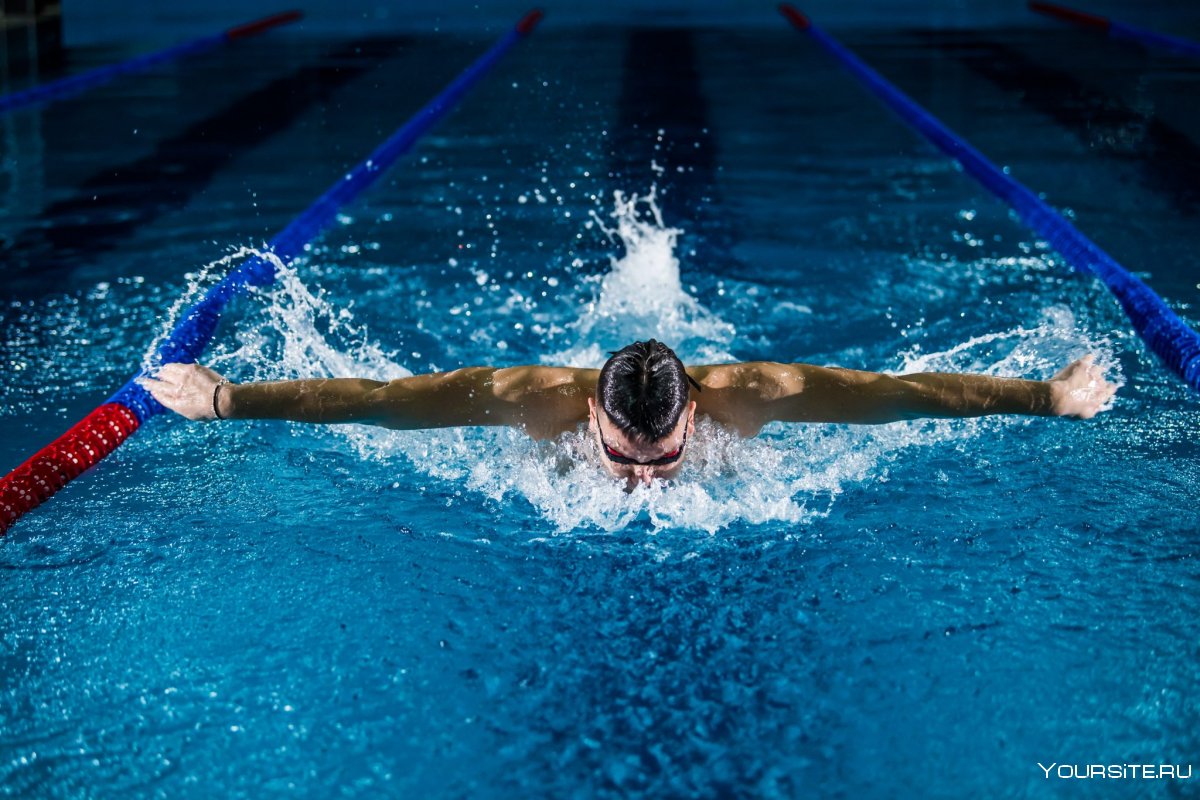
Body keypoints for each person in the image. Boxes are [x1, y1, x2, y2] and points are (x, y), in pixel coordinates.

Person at [141, 339, 1116, 487]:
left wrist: (1047, 396)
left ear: (696, 407)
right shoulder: (533, 401)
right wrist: (226, 397)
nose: (640, 479)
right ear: (592, 416)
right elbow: (384, 404)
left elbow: (903, 393)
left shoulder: (758, 393)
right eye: (622, 453)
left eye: (659, 457)